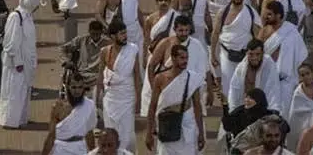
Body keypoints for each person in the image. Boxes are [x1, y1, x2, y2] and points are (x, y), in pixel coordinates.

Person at [145, 45, 205, 155]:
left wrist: (201, 132)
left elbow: (197, 107)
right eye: (182, 58)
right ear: (173, 58)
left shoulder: (193, 78)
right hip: (167, 124)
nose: (185, 61)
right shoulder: (160, 78)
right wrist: (149, 132)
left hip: (187, 124)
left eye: (186, 58)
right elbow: (152, 106)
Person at [97, 20, 141, 153]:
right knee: (110, 132)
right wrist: (98, 95)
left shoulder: (133, 50)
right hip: (110, 98)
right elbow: (100, 75)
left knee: (126, 134)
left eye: (125, 33)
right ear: (112, 36)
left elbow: (137, 76)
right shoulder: (105, 52)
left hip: (127, 98)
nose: (125, 36)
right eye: (121, 34)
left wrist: (138, 100)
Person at [0, 0, 41, 128]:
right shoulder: (15, 17)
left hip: (26, 62)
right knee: (13, 91)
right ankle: (10, 121)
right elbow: (11, 43)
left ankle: (21, 119)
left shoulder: (27, 16)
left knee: (23, 90)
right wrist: (18, 62)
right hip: (17, 63)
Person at [44, 73, 99, 155]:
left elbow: (89, 133)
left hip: (79, 148)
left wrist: (92, 152)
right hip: (60, 149)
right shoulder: (58, 107)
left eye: (80, 87)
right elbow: (51, 136)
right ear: (67, 87)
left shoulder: (89, 105)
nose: (77, 91)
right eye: (74, 87)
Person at [286, 62, 313, 152]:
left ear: (312, 74)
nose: (306, 77)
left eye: (308, 73)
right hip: (301, 128)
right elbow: (294, 115)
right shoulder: (298, 93)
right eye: (303, 75)